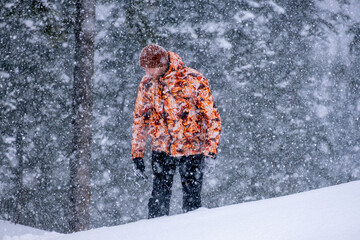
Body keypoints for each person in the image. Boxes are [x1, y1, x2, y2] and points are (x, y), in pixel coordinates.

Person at [131, 44, 221, 219]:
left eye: (150, 68)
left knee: (192, 203)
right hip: (161, 148)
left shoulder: (194, 80)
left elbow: (212, 118)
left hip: (192, 149)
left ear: (162, 64)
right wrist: (137, 154)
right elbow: (140, 119)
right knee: (158, 201)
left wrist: (210, 152)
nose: (147, 72)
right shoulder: (147, 84)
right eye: (145, 68)